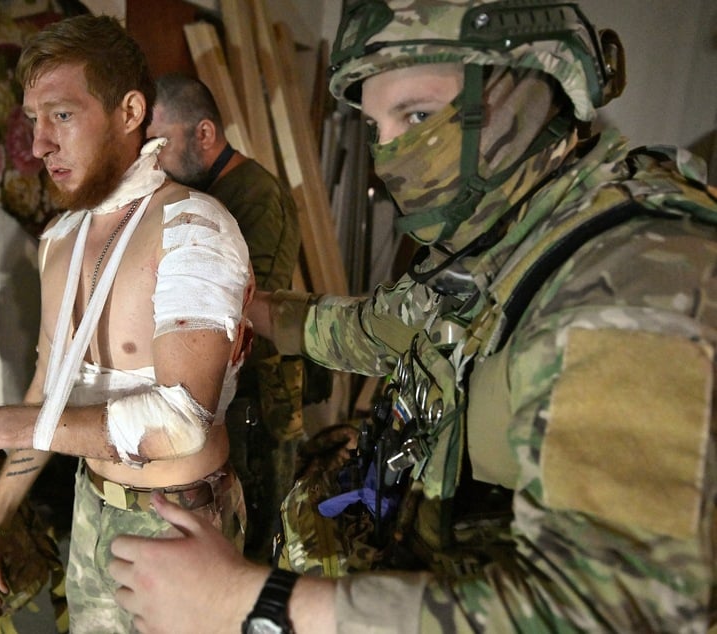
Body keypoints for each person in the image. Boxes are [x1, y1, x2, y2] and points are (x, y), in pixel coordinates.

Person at [107, 1, 717, 632]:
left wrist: (251, 600)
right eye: (377, 126)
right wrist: (247, 309)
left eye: (419, 115)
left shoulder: (636, 278)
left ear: (529, 91)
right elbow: (379, 327)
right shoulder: (499, 241)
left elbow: (611, 614)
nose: (390, 150)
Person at [0, 14, 253, 632]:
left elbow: (180, 424)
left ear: (128, 112)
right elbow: (50, 387)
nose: (39, 145)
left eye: (61, 115)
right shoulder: (61, 238)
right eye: (33, 121)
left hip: (178, 521)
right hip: (92, 505)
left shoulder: (194, 229)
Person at [148, 73, 303, 563]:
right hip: (224, 402)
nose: (154, 159)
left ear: (205, 135)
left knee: (254, 547)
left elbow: (244, 308)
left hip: (257, 404)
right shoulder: (202, 196)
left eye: (161, 143)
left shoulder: (255, 195)